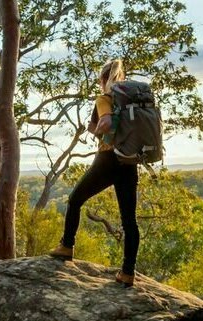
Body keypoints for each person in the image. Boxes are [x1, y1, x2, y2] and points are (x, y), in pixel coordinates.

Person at [49, 59, 140, 287]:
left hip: (108, 159)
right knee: (130, 221)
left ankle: (66, 246)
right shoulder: (131, 102)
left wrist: (98, 130)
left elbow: (106, 124)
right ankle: (128, 272)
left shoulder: (104, 99)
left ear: (103, 80)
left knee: (74, 199)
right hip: (129, 162)